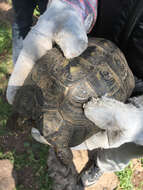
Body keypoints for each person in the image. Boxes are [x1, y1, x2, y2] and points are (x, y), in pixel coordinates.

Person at [6, 0, 143, 188]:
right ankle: (68, 176)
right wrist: (75, 5)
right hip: (85, 39)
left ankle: (101, 166)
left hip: (126, 83)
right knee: (56, 140)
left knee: (117, 146)